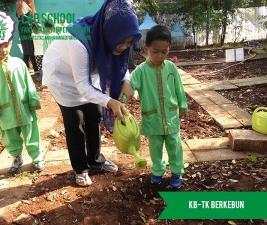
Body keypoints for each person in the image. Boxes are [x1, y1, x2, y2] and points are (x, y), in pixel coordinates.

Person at [42, 0, 141, 187]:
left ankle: (95, 161)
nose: (123, 46)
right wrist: (111, 102)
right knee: (76, 122)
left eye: (129, 42)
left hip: (87, 76)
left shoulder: (110, 38)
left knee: (94, 115)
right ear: (110, 30)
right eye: (122, 41)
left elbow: (120, 65)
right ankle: (80, 168)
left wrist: (126, 81)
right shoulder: (79, 41)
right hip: (63, 78)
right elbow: (82, 87)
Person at [130, 25, 188, 189]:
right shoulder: (140, 71)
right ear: (146, 48)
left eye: (164, 52)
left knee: (174, 146)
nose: (159, 56)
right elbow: (130, 85)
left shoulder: (171, 68)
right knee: (155, 148)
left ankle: (176, 173)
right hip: (152, 118)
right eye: (155, 51)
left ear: (169, 49)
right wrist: (123, 98)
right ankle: (157, 171)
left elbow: (179, 88)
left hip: (171, 117)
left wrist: (182, 105)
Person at [0, 40, 45, 175]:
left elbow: (28, 83)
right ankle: (17, 158)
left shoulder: (19, 63)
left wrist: (33, 100)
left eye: (6, 45)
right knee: (10, 136)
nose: (3, 49)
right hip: (5, 110)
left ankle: (37, 158)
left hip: (24, 106)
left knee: (31, 132)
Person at [16, 0, 39, 75]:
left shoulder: (29, 3)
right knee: (28, 47)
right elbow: (21, 16)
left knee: (29, 47)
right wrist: (34, 21)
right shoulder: (20, 3)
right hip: (24, 26)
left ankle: (29, 68)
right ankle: (31, 68)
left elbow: (34, 15)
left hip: (27, 26)